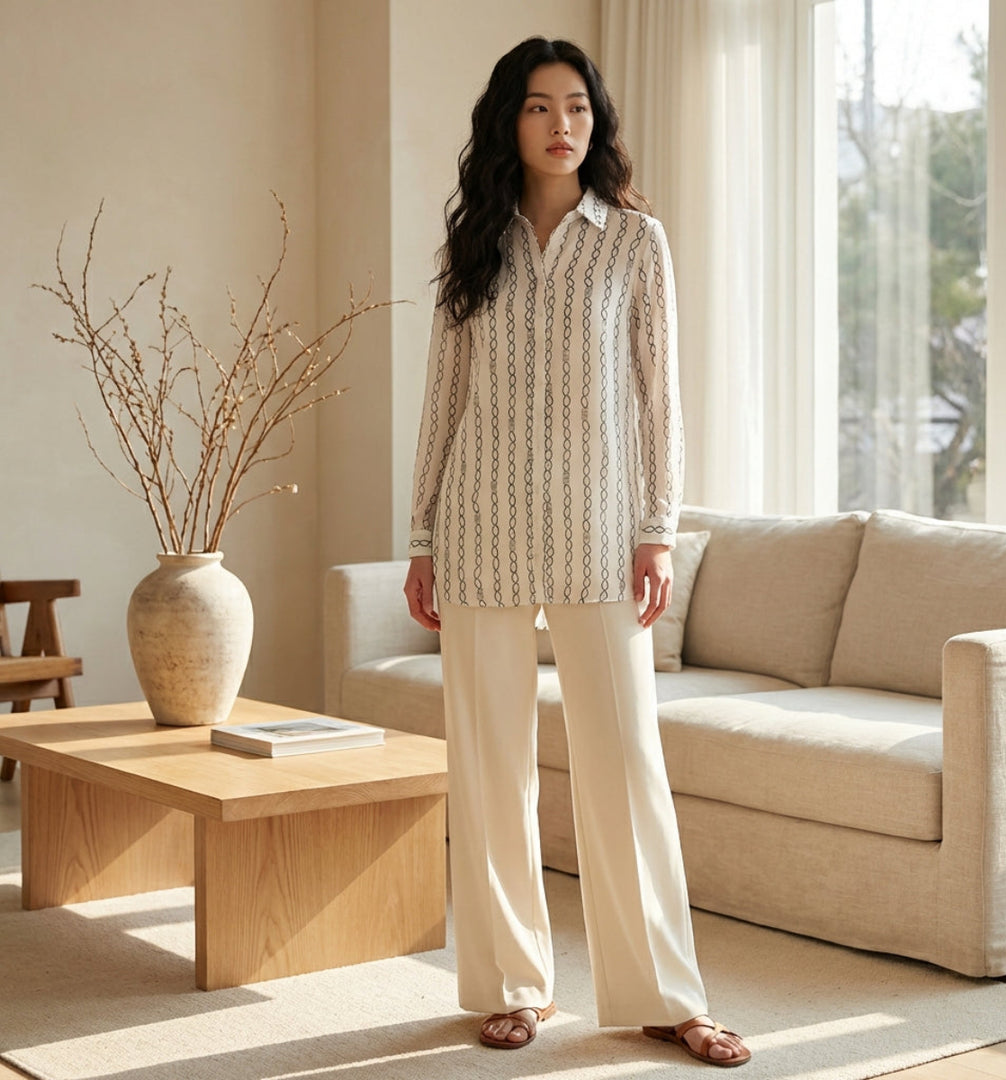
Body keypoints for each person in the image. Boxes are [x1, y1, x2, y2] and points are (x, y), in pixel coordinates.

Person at [403, 36, 750, 1068]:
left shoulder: (636, 243)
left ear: (596, 125)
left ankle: (663, 995)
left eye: (580, 110)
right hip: (478, 531)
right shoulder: (476, 246)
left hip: (602, 535)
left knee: (624, 764)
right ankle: (512, 984)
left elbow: (660, 400)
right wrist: (420, 535)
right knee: (492, 767)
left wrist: (659, 529)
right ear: (508, 122)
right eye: (540, 108)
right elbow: (443, 401)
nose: (563, 126)